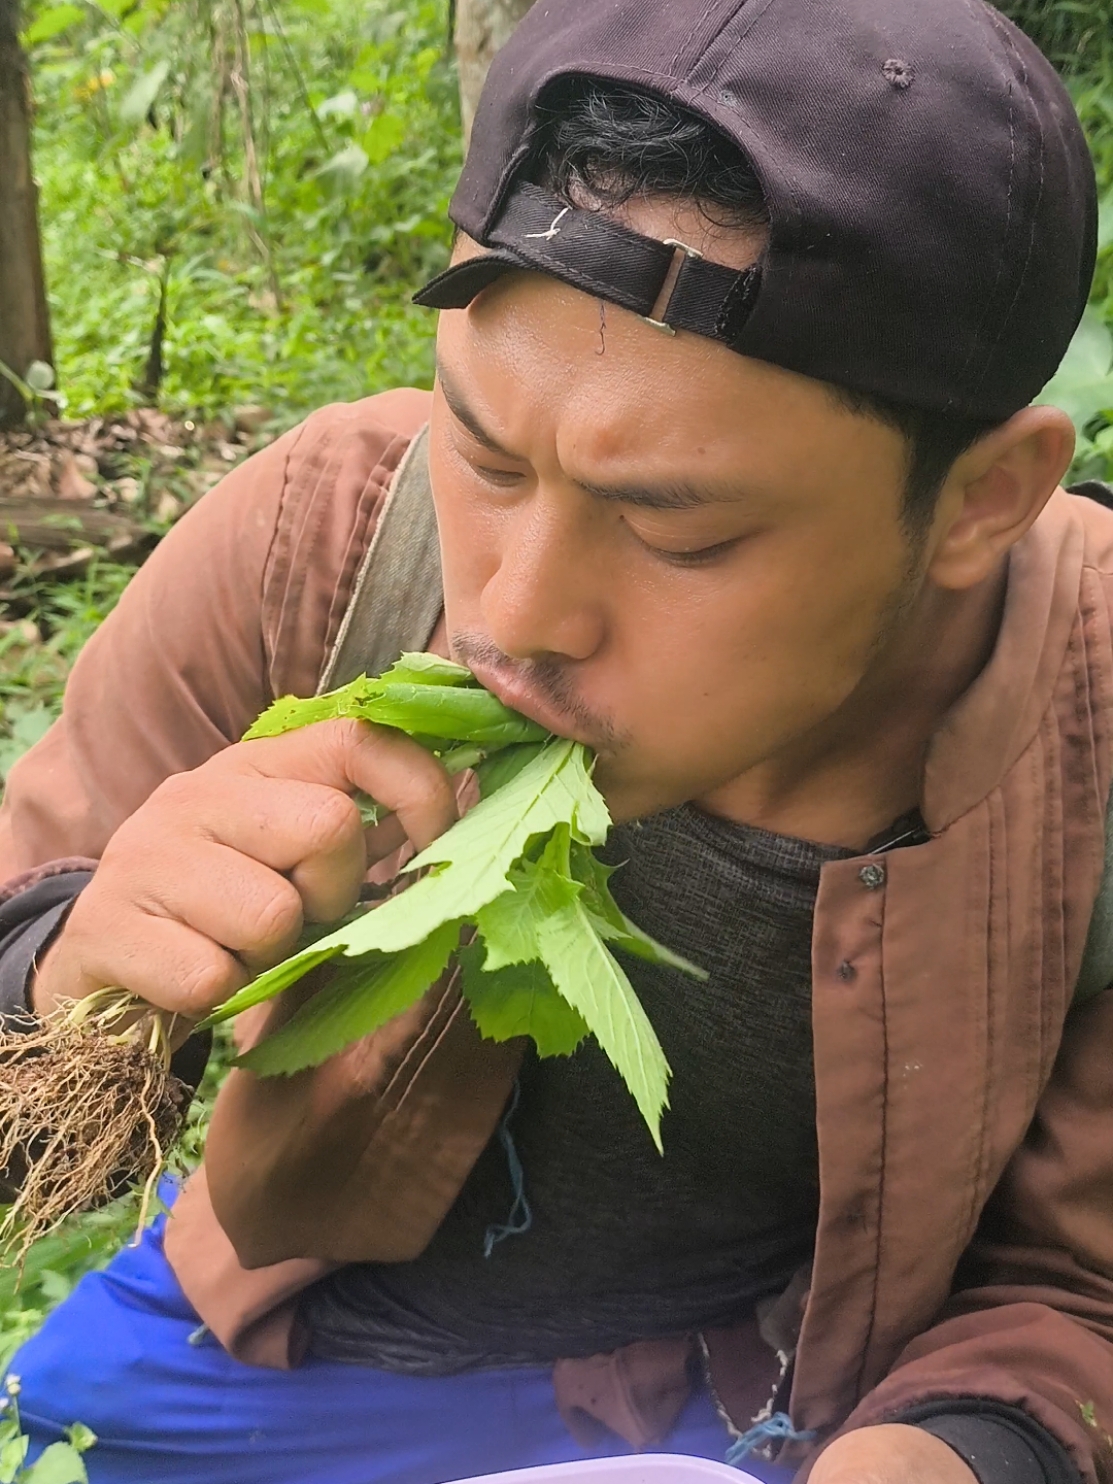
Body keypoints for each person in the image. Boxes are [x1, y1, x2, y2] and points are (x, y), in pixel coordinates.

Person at [0, 0, 1108, 1480]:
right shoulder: (323, 541)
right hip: (288, 1331)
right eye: (487, 455)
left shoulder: (1086, 731)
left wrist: (954, 1453)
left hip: (773, 1401)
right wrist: (71, 971)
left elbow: (1076, 1287)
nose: (514, 616)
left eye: (680, 528)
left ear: (982, 498)